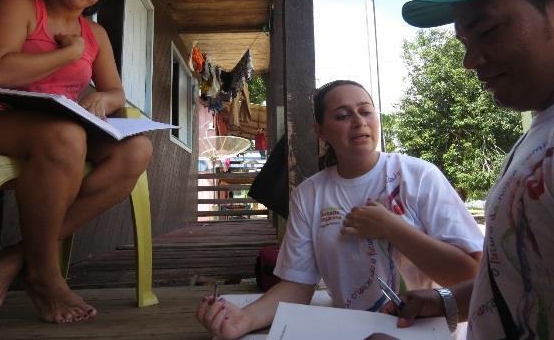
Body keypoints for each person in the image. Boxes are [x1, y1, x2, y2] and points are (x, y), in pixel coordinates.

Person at [386, 0, 554, 339]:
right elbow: (534, 276)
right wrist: (450, 300)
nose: (469, 60)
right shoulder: (552, 123)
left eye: (489, 30)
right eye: (464, 40)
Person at [196, 79, 483, 339]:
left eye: (366, 111)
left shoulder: (417, 176)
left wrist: (391, 228)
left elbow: (472, 276)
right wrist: (243, 320)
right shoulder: (310, 194)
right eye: (343, 116)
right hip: (352, 332)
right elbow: (298, 285)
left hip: (423, 332)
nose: (359, 121)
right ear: (321, 131)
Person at [0, 0, 153, 323]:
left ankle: (18, 256)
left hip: (58, 130)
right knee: (65, 136)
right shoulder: (19, 5)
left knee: (136, 150)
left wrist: (102, 102)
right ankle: (45, 275)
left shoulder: (96, 35)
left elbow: (114, 91)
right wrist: (69, 54)